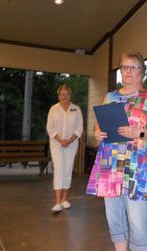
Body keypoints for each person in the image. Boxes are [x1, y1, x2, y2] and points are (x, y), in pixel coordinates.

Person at [86, 51, 147, 251]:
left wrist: (138, 132)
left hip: (137, 169)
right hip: (110, 166)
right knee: (113, 218)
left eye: (133, 67)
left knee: (137, 221)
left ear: (142, 72)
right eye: (124, 67)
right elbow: (99, 126)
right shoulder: (109, 97)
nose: (127, 71)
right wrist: (97, 132)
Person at [46, 84, 83, 212]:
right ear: (58, 95)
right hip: (56, 144)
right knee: (59, 169)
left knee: (67, 170)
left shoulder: (76, 109)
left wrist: (70, 140)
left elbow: (79, 129)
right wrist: (61, 140)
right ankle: (57, 202)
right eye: (62, 94)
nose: (64, 96)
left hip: (72, 145)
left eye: (67, 94)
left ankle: (64, 200)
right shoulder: (53, 109)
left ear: (70, 95)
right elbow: (49, 128)